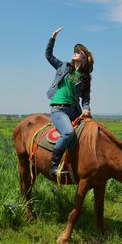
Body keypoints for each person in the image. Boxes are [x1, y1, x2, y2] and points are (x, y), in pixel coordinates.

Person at [45, 27, 94, 176]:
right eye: (75, 50)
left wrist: (87, 108)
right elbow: (48, 56)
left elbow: (85, 98)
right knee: (67, 133)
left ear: (84, 58)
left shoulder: (85, 77)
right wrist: (52, 38)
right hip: (59, 109)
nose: (75, 52)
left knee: (88, 135)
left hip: (74, 111)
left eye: (79, 51)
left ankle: (80, 166)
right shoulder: (63, 67)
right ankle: (54, 165)